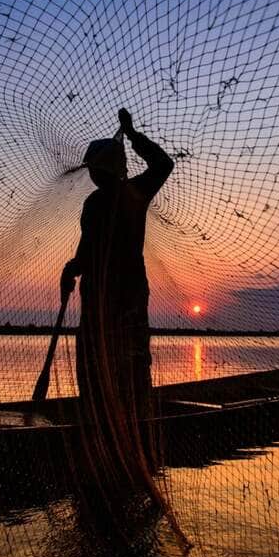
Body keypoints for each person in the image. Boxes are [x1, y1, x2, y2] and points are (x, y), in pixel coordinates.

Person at [61, 108, 173, 466]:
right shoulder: (110, 199)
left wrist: (131, 133)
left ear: (101, 170)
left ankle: (124, 426)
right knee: (110, 360)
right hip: (107, 293)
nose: (92, 175)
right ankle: (113, 423)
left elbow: (163, 164)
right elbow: (86, 250)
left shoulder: (123, 195)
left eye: (95, 169)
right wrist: (72, 268)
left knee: (122, 359)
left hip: (118, 294)